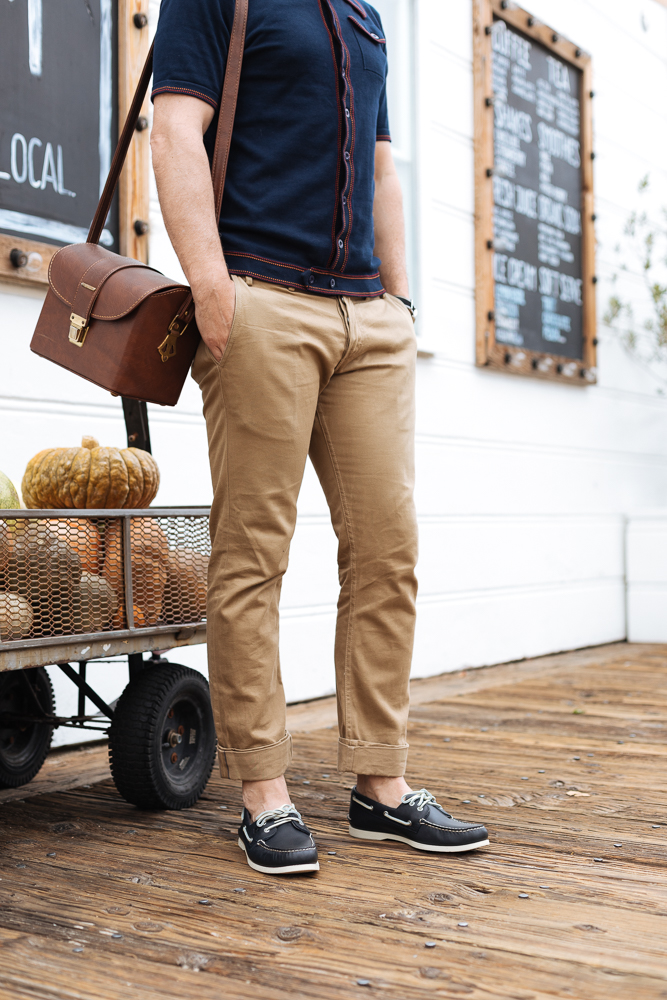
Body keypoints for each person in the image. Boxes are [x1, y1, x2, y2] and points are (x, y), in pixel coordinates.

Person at [151, 0, 489, 875]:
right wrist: (211, 285)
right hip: (262, 298)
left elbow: (380, 169)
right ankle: (263, 793)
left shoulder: (367, 17)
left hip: (366, 319)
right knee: (253, 552)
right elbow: (176, 131)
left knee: (388, 548)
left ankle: (379, 785)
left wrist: (400, 306)